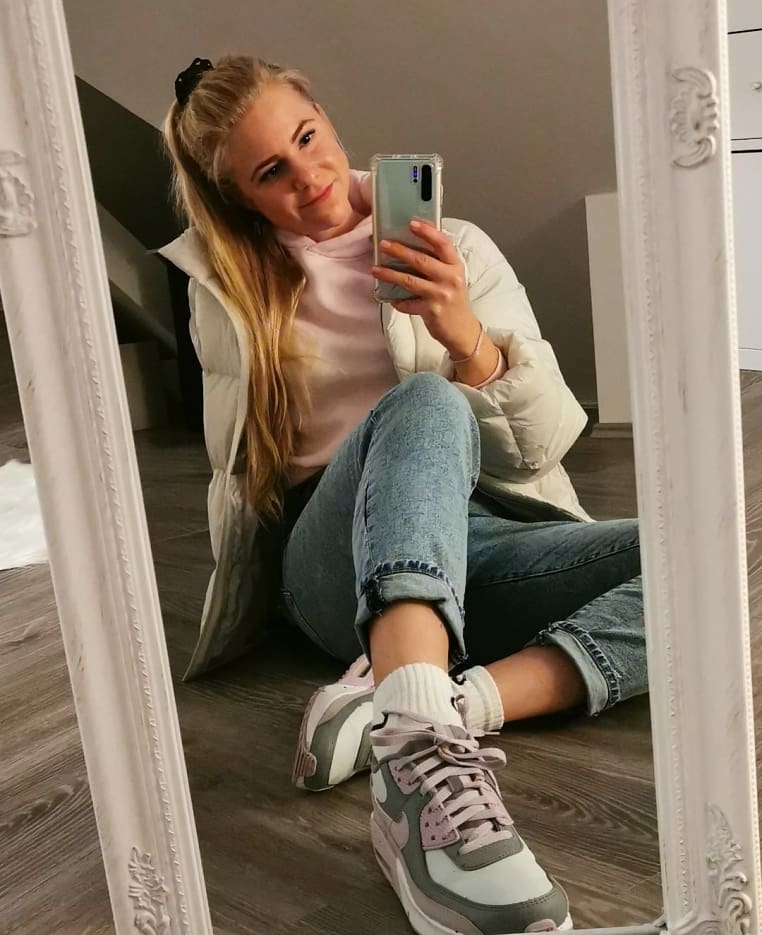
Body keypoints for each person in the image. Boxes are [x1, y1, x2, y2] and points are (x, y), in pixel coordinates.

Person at [161, 54, 647, 935]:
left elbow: (543, 444)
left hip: (474, 528)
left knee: (705, 562)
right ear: (240, 196)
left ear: (325, 112)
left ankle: (430, 704)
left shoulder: (457, 246)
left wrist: (466, 337)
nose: (309, 176)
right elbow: (246, 471)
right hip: (332, 555)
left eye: (308, 137)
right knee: (422, 402)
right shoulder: (230, 292)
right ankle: (419, 789)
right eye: (271, 171)